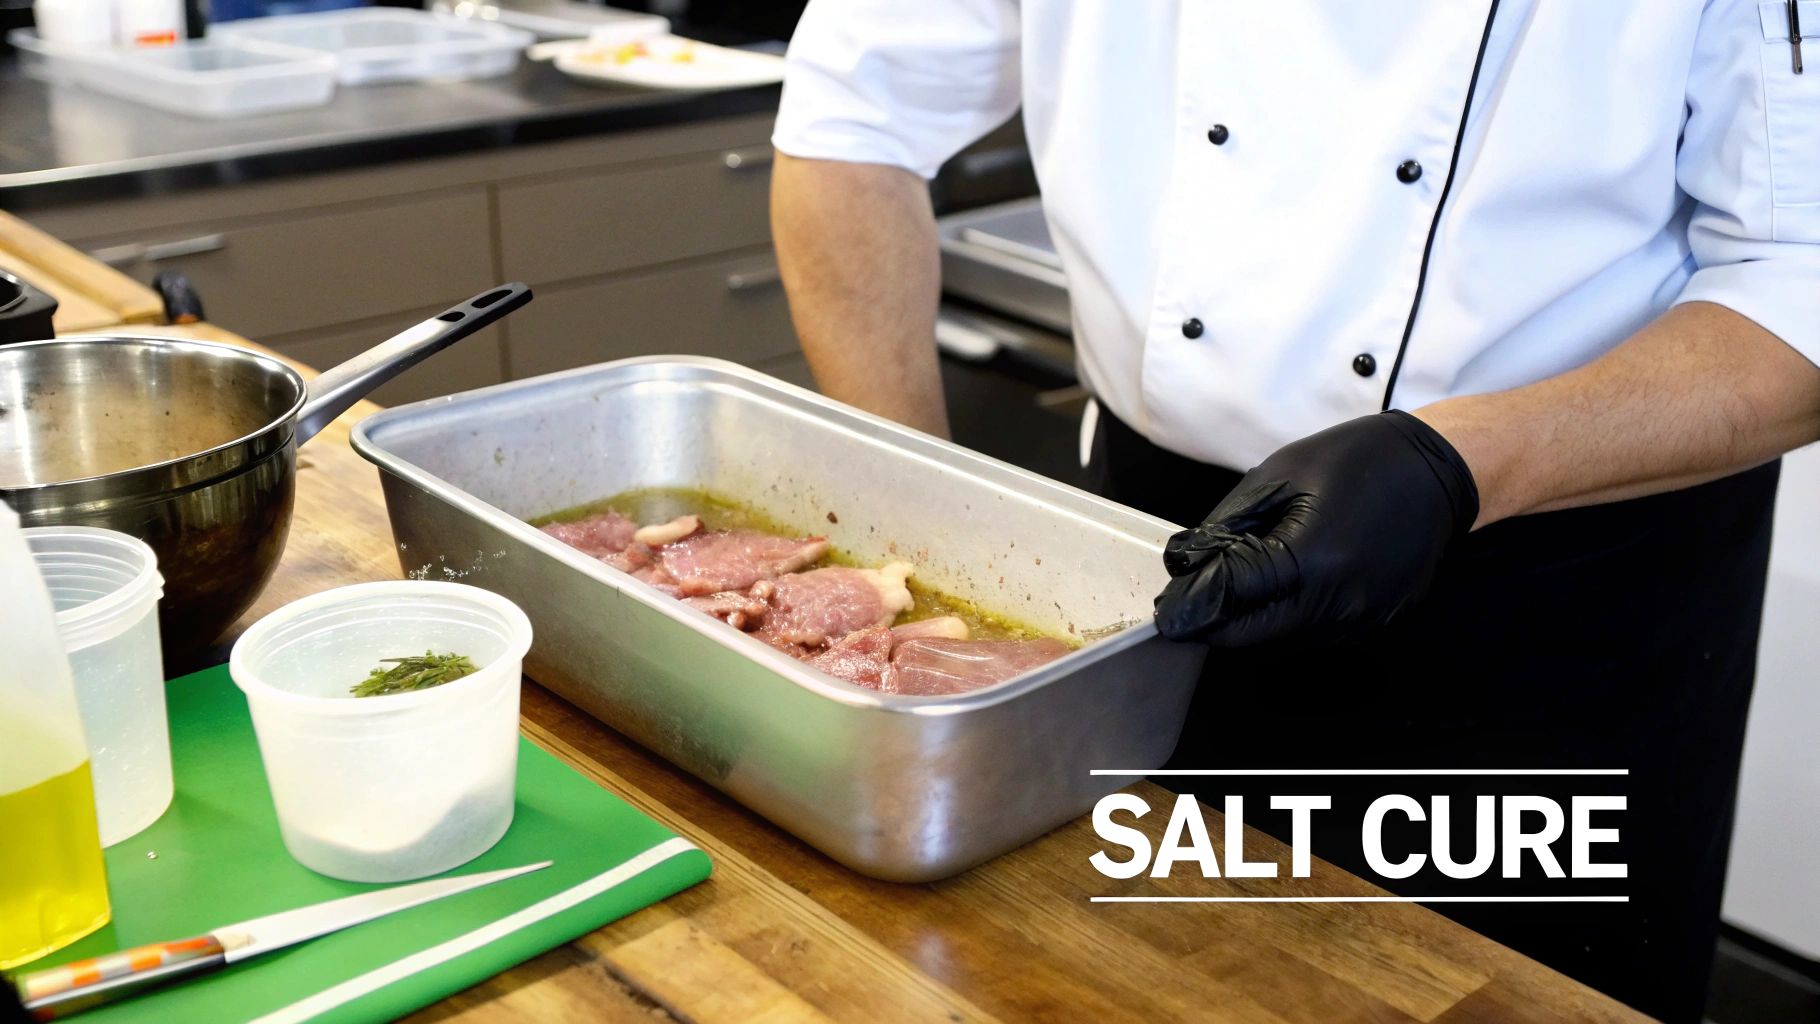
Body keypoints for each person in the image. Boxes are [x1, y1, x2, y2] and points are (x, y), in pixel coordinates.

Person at [768, 2, 1820, 1019]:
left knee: (1511, 993)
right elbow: (855, 112)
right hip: (1153, 563)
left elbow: (1798, 280)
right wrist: (918, 516)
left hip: (1560, 598)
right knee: (1117, 973)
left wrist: (1456, 463)